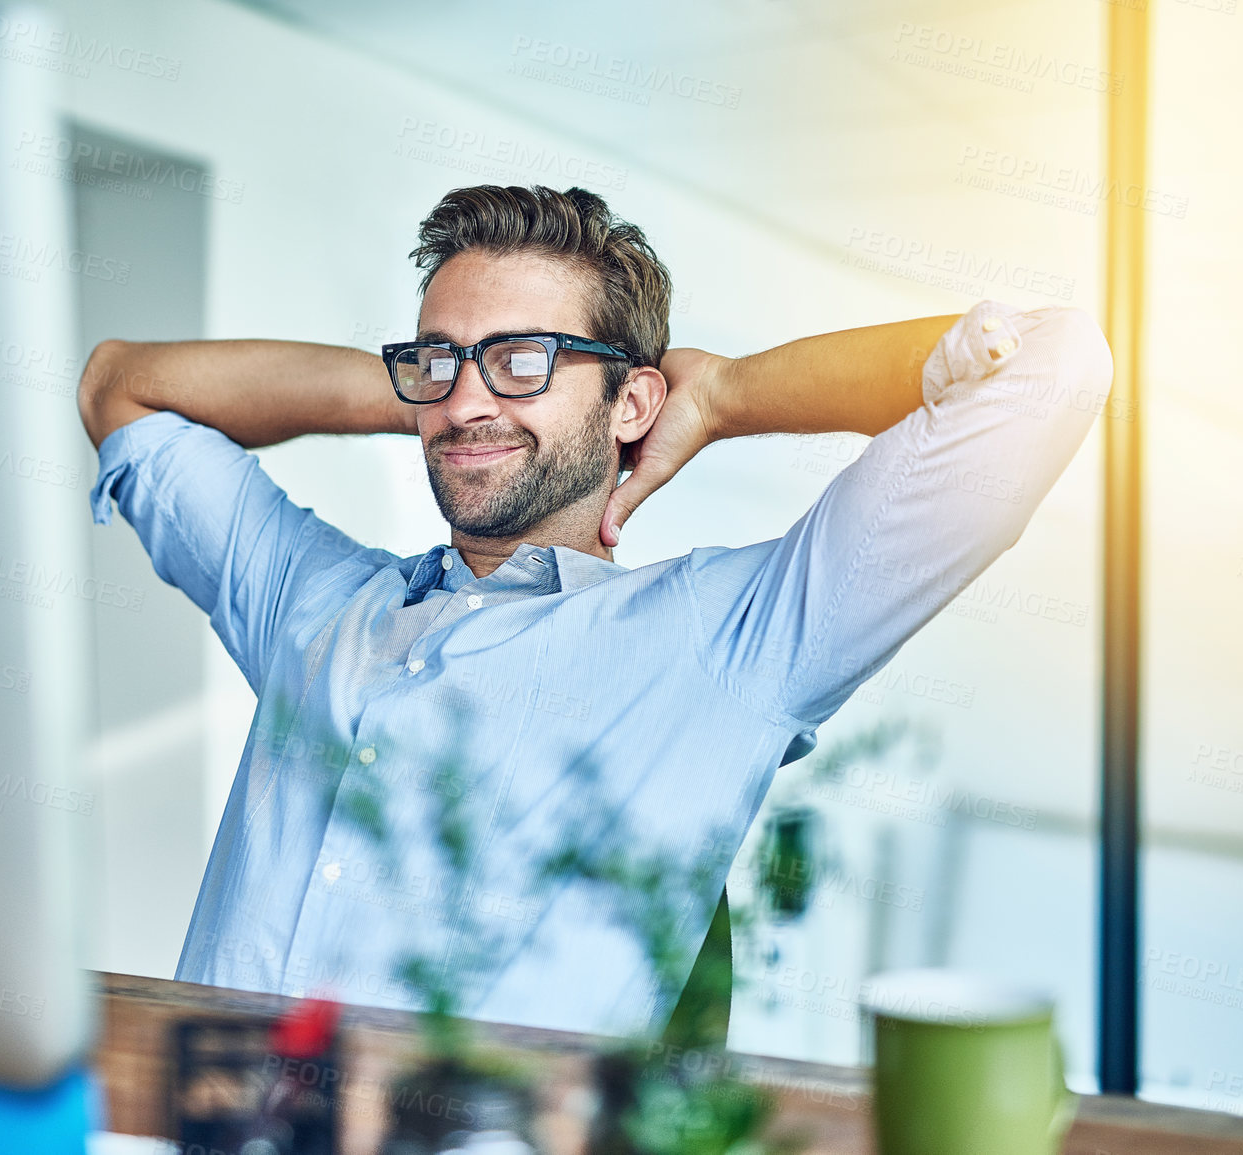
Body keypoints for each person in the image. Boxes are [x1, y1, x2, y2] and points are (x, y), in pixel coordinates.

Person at [78, 184, 1112, 1037]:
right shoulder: (316, 603)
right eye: (440, 357)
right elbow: (124, 389)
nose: (471, 399)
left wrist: (728, 393)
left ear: (631, 403)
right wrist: (443, 396)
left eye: (524, 358)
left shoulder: (732, 640)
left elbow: (1054, 368)